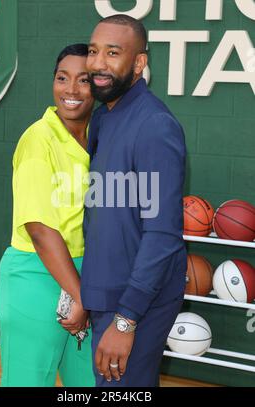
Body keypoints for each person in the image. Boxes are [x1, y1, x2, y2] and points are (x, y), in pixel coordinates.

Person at [78, 15, 187, 387]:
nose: (98, 63)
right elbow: (101, 217)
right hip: (106, 295)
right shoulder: (104, 119)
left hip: (135, 303)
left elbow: (162, 235)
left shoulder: (155, 125)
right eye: (94, 52)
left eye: (113, 53)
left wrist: (126, 320)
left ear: (139, 63)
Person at [0, 44, 95, 387]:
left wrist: (89, 293)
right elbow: (39, 228)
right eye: (62, 78)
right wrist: (81, 296)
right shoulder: (38, 138)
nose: (70, 89)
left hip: (88, 275)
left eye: (83, 80)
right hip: (36, 276)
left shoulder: (101, 138)